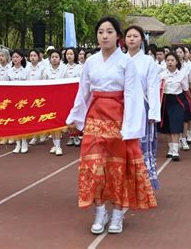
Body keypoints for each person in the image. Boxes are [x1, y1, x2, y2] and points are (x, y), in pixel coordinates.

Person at [66, 17, 156, 235]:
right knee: (93, 166)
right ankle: (99, 211)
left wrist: (130, 127)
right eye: (100, 32)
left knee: (117, 168)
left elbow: (133, 95)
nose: (104, 36)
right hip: (95, 119)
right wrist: (74, 118)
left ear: (118, 37)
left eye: (109, 32)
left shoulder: (127, 63)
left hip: (118, 119)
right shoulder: (91, 62)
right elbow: (83, 91)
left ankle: (117, 213)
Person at [124, 25, 161, 189]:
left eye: (135, 36)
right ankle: (125, 181)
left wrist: (153, 112)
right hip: (122, 108)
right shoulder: (120, 60)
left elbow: (153, 87)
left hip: (141, 108)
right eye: (128, 36)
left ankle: (144, 182)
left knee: (141, 144)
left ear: (142, 40)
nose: (131, 39)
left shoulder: (148, 61)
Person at [159, 52, 189, 161]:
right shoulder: (162, 75)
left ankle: (175, 150)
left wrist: (190, 100)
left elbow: (186, 90)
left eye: (172, 60)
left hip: (178, 100)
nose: (170, 62)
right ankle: (170, 148)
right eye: (168, 60)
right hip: (166, 100)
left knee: (176, 125)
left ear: (176, 62)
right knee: (168, 126)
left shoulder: (182, 74)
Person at [43, 50, 66, 156]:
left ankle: (58, 146)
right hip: (49, 99)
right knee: (51, 122)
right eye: (52, 57)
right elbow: (43, 85)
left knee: (57, 122)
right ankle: (55, 144)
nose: (54, 59)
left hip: (60, 99)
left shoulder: (64, 69)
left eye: (56, 57)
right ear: (49, 59)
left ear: (60, 58)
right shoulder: (46, 70)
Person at [7, 49, 29, 154]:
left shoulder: (26, 71)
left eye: (17, 57)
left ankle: (24, 142)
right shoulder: (9, 71)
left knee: (22, 121)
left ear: (21, 58)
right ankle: (17, 143)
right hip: (12, 99)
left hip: (23, 100)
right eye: (13, 57)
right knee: (15, 122)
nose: (15, 59)